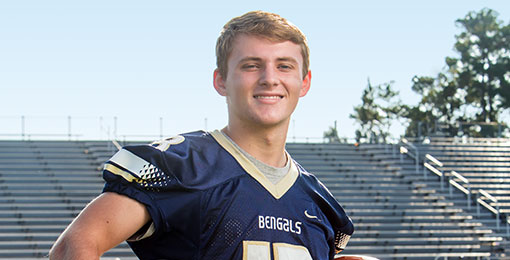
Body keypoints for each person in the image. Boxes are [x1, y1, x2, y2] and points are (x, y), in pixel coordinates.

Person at [49, 10, 354, 260]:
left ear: (304, 83)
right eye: (251, 65)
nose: (270, 79)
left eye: (284, 66)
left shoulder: (321, 204)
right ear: (220, 81)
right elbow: (72, 247)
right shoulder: (179, 165)